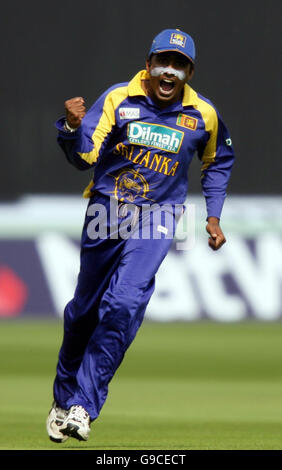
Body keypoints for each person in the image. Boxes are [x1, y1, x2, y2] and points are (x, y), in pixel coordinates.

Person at [46, 28, 235, 443]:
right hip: (107, 210)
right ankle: (63, 398)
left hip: (162, 215)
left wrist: (214, 216)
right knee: (84, 311)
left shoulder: (203, 114)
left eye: (180, 64)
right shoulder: (118, 98)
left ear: (189, 72)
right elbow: (84, 157)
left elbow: (217, 162)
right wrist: (71, 129)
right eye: (163, 61)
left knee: (126, 302)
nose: (170, 71)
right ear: (149, 64)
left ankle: (83, 406)